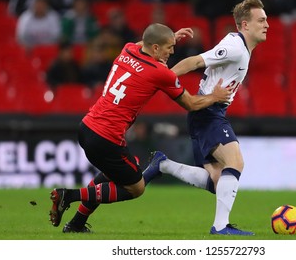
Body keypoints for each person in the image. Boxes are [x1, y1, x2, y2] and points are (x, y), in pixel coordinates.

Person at [48, 23, 232, 233]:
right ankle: (69, 196)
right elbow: (190, 103)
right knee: (136, 187)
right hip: (106, 137)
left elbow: (143, 42)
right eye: (169, 47)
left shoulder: (128, 49)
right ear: (155, 48)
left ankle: (76, 224)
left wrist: (169, 37)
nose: (172, 52)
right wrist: (215, 97)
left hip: (87, 126)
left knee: (115, 173)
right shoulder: (160, 72)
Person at [143, 0, 269, 235]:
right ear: (245, 25)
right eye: (261, 20)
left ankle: (164, 165)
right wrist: (162, 77)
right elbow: (195, 61)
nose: (267, 25)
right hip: (208, 113)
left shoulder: (239, 46)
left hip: (208, 113)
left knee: (218, 180)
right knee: (236, 162)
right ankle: (221, 226)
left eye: (266, 20)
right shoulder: (235, 47)